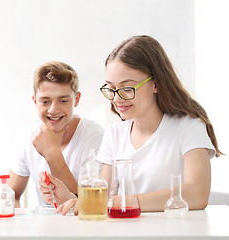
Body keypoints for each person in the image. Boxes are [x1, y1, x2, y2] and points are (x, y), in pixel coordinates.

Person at [39, 35, 222, 214]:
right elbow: (103, 200)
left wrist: (122, 201)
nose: (117, 98)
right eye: (111, 88)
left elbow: (197, 194)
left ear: (156, 84)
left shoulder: (189, 127)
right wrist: (72, 198)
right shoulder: (114, 134)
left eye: (127, 88)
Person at [8, 61, 104, 207]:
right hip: (45, 227)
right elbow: (11, 195)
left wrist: (53, 154)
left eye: (63, 100)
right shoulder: (28, 137)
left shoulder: (95, 139)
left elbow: (89, 204)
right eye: (45, 101)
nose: (53, 109)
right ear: (35, 101)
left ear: (76, 100)